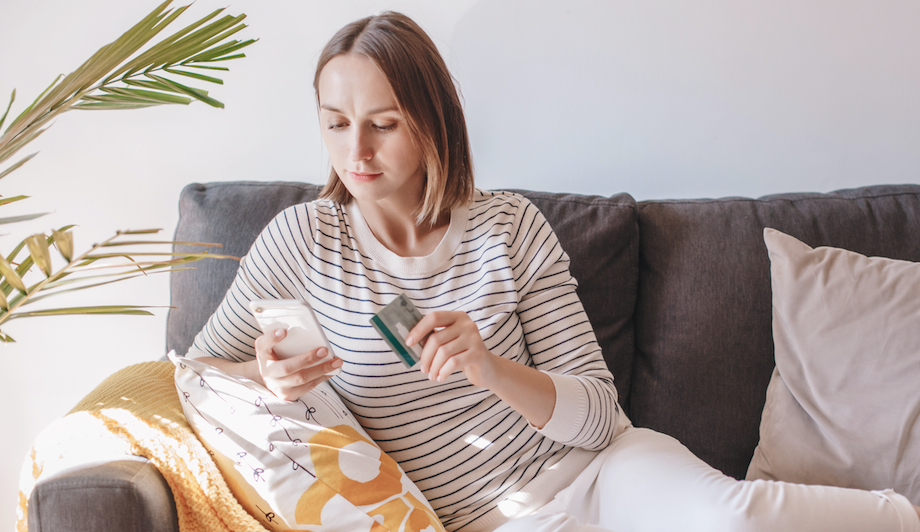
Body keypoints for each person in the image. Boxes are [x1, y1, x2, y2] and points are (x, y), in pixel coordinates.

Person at [188, 11, 920, 532]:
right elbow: (199, 367)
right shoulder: (300, 240)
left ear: (431, 120)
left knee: (734, 520)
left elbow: (600, 415)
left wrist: (488, 366)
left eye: (383, 122)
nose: (358, 150)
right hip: (488, 520)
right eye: (335, 122)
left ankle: (903, 513)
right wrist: (268, 379)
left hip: (605, 474)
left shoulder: (507, 227)